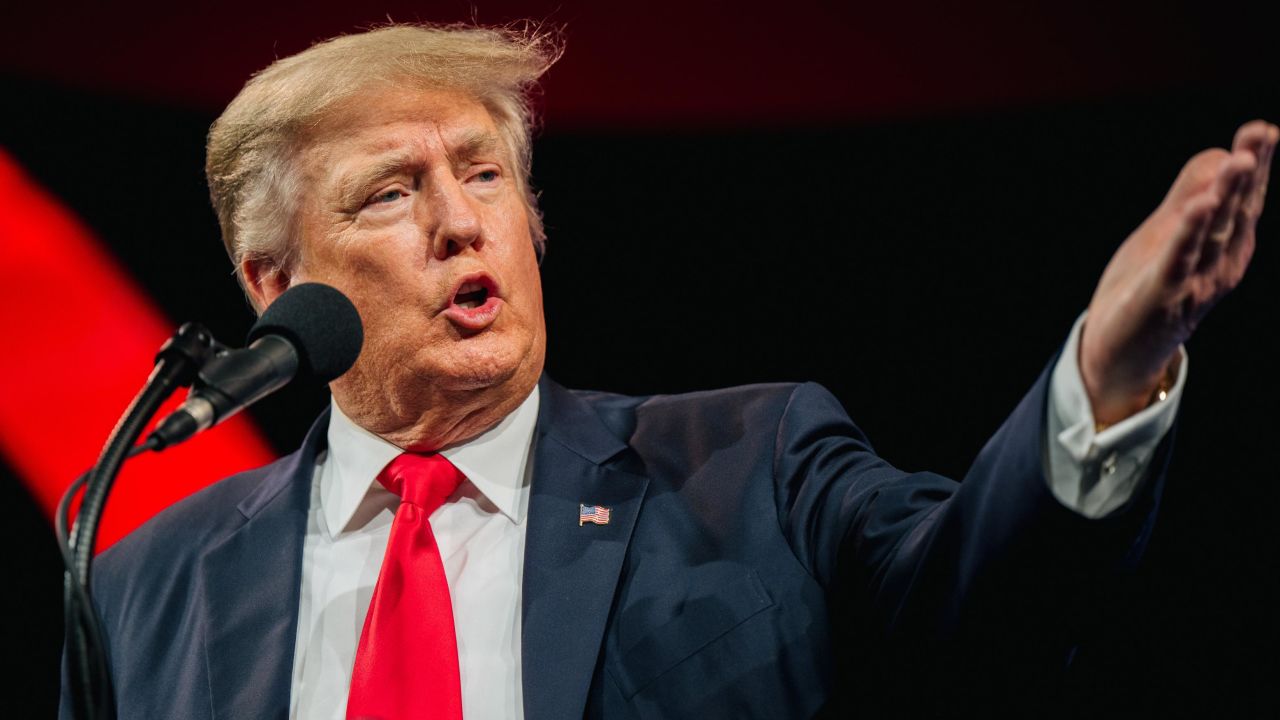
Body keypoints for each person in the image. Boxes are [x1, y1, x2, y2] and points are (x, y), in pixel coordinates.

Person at [61, 23, 1275, 720]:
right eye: (391, 192)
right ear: (275, 284)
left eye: (484, 175)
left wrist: (1105, 374)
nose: (460, 223)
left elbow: (981, 611)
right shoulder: (143, 589)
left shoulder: (750, 466)